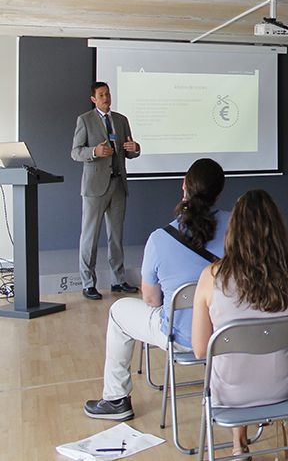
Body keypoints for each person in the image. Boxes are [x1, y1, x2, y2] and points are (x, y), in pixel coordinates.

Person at [83, 158, 228, 421]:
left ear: (184, 186)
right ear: (219, 193)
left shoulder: (160, 239)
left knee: (118, 311)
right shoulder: (240, 228)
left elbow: (151, 299)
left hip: (182, 338)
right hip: (231, 333)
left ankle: (116, 400)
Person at [192, 189, 288, 457]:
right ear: (277, 229)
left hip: (229, 394)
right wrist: (279, 339)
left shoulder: (211, 276)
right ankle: (241, 440)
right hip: (281, 388)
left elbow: (201, 349)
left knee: (233, 361)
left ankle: (237, 443)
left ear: (233, 230)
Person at [71, 81, 141, 300]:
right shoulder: (85, 120)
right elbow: (75, 152)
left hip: (118, 185)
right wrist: (94, 151)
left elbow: (129, 151)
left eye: (108, 94)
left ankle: (118, 280)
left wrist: (135, 149)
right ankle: (88, 283)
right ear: (94, 99)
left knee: (116, 237)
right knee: (90, 237)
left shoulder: (121, 120)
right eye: (101, 95)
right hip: (94, 188)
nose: (106, 98)